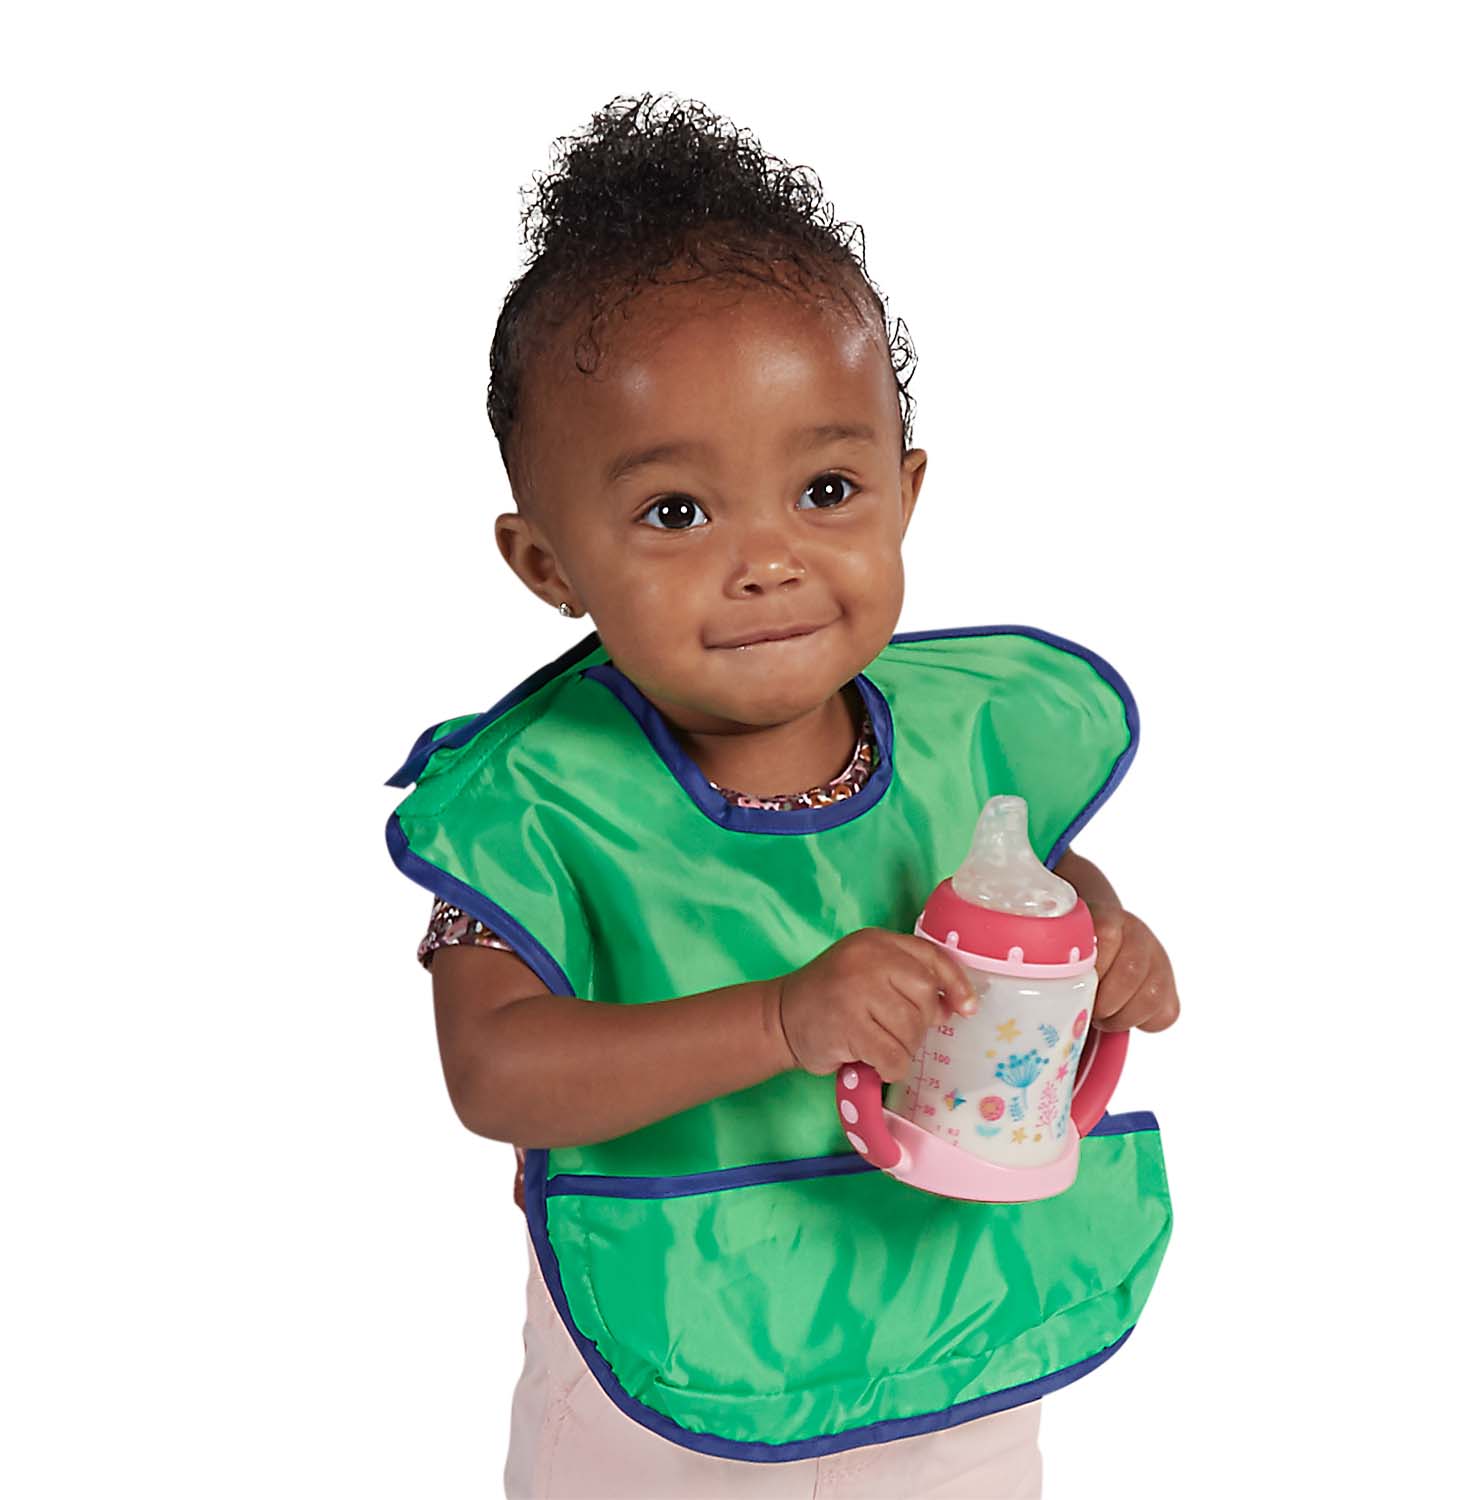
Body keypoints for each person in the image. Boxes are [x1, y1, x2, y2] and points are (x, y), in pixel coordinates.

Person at [389, 92, 1179, 1499]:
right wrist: (778, 1020)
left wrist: (1101, 939)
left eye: (825, 488)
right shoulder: (538, 802)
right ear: (546, 563)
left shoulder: (966, 735)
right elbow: (493, 1070)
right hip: (665, 1362)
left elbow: (1032, 874)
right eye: (676, 513)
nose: (767, 560)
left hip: (953, 1334)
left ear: (905, 491)